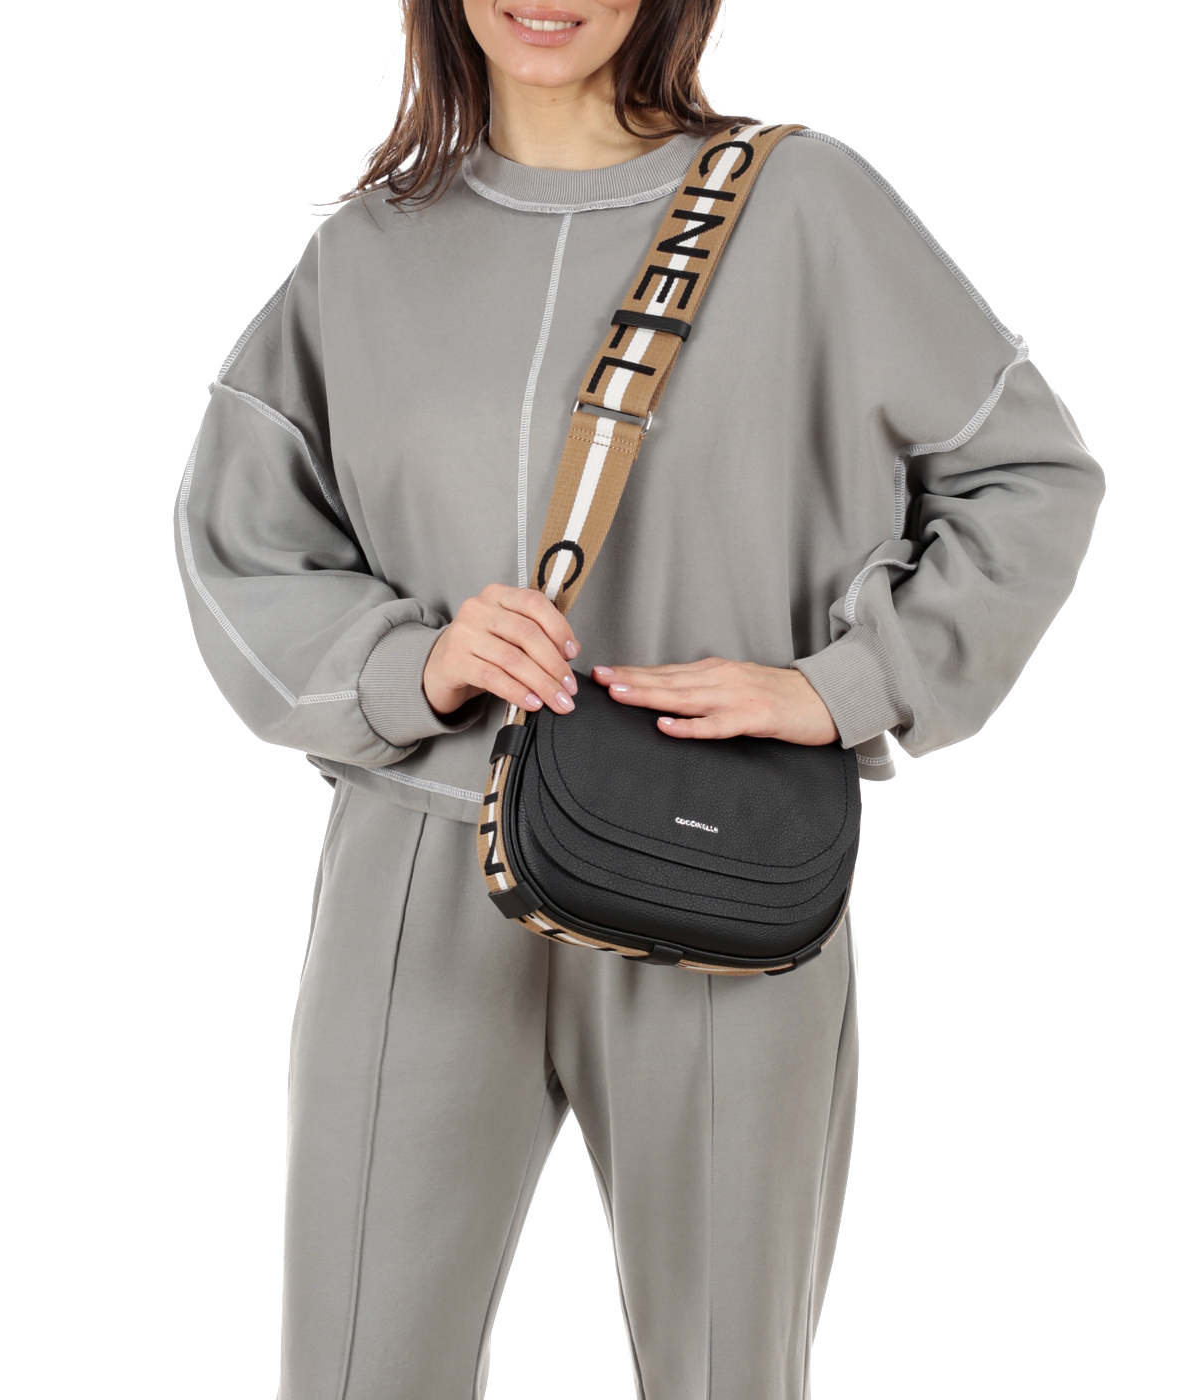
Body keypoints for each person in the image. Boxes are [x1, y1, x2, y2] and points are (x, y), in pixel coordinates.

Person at [174, 1, 1104, 1395]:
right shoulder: (365, 253)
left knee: (729, 1370)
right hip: (419, 868)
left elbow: (1029, 479)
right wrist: (411, 663)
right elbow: (240, 543)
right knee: (359, 1369)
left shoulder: (804, 206)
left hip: (721, 856)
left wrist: (842, 687)